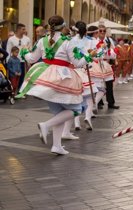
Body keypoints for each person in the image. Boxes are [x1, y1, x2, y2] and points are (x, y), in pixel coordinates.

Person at [17, 15, 95, 155]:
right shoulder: (67, 42)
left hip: (46, 75)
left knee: (59, 113)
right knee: (78, 109)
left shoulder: (42, 40)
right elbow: (77, 63)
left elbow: (31, 59)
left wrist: (23, 52)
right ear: (63, 25)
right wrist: (90, 56)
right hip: (63, 77)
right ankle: (46, 125)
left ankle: (57, 146)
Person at [69, 21, 98, 132]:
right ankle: (87, 117)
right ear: (85, 31)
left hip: (74, 70)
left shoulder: (70, 41)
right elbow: (96, 55)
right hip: (85, 70)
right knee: (90, 97)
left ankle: (76, 123)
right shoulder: (91, 41)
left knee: (77, 97)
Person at [6, 24, 31, 90]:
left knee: (22, 77)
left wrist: (29, 61)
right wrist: (8, 61)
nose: (25, 30)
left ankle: (20, 91)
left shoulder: (27, 39)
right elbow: (8, 51)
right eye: (23, 29)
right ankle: (12, 91)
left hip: (23, 61)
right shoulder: (11, 39)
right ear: (18, 30)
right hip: (13, 61)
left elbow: (29, 51)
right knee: (12, 77)